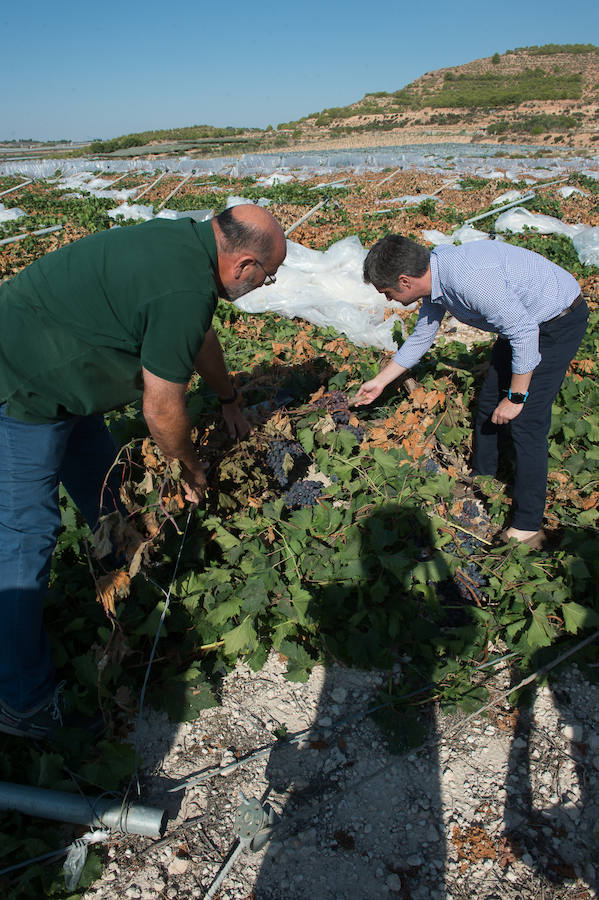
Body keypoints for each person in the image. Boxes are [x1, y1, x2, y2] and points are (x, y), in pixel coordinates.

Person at [0, 203, 286, 738]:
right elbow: (160, 409)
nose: (263, 286)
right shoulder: (184, 289)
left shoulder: (185, 248)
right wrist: (189, 470)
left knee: (108, 494)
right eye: (266, 276)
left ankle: (122, 586)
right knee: (25, 539)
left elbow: (198, 335)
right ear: (244, 263)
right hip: (19, 381)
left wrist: (228, 396)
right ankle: (23, 703)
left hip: (63, 374)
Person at [354, 234, 588, 547]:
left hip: (556, 320)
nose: (387, 300)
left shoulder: (469, 281)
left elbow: (524, 332)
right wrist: (381, 381)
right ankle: (483, 480)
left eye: (387, 292)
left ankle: (528, 525)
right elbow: (423, 336)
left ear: (405, 281)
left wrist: (517, 397)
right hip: (522, 321)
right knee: (490, 401)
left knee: (527, 421)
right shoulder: (437, 278)